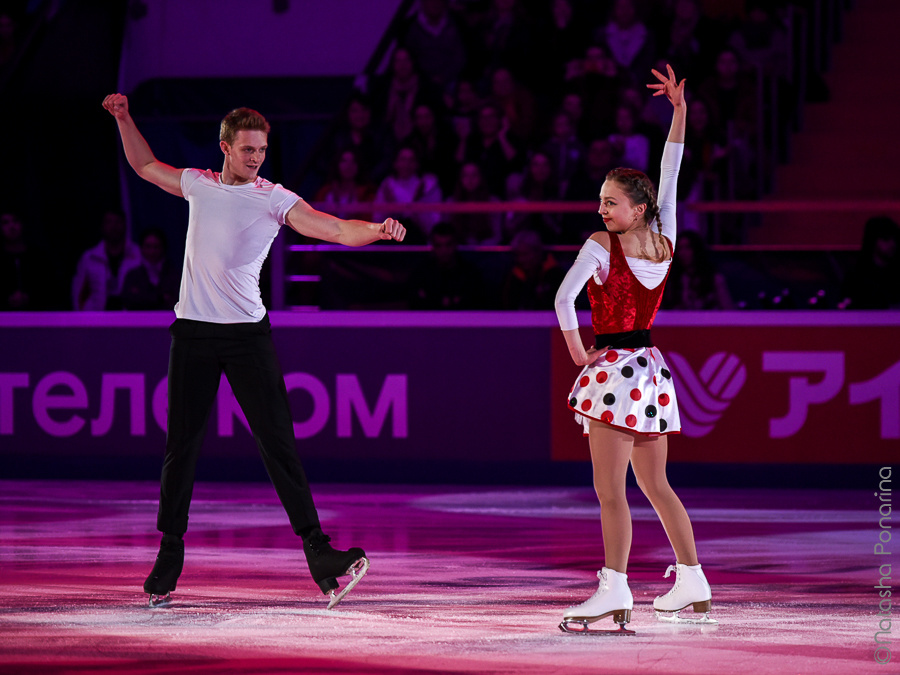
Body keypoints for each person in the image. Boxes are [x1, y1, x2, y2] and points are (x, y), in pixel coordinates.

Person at [102, 93, 406, 608]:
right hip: (193, 334)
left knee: (278, 443)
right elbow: (145, 165)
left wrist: (376, 230)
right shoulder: (198, 184)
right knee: (182, 449)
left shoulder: (273, 198)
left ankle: (319, 552)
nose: (256, 158)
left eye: (262, 150)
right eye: (247, 149)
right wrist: (124, 118)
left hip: (247, 336)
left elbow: (331, 228)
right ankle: (169, 553)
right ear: (224, 147)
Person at [553, 66, 714, 633]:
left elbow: (562, 299)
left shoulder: (602, 246)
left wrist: (577, 355)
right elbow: (670, 173)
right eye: (600, 201)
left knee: (610, 492)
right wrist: (679, 112)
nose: (602, 210)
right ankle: (692, 577)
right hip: (650, 372)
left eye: (612, 202)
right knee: (655, 485)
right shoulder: (665, 236)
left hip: (615, 371)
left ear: (636, 209)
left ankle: (613, 589)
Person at [71, 209, 142, 310]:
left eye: (118, 222)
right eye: (109, 222)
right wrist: (81, 318)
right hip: (97, 317)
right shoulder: (90, 257)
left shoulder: (138, 255)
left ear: (125, 225)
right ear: (102, 226)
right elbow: (78, 292)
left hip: (130, 317)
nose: (114, 227)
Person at [121, 228, 182, 310]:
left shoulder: (174, 276)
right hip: (138, 321)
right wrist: (160, 298)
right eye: (148, 246)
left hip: (168, 321)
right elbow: (128, 301)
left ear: (163, 248)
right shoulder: (133, 276)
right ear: (141, 248)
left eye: (156, 247)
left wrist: (143, 296)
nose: (152, 251)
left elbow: (176, 302)